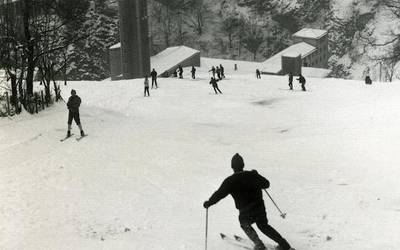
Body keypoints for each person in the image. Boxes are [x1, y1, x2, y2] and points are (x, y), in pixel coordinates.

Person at [203, 154, 291, 250]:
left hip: (246, 210)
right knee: (263, 226)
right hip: (259, 207)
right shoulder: (252, 175)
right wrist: (257, 175)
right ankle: (284, 244)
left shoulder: (230, 181)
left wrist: (209, 202)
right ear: (243, 165)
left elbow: (219, 194)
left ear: (232, 166)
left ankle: (259, 245)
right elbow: (266, 184)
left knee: (244, 223)